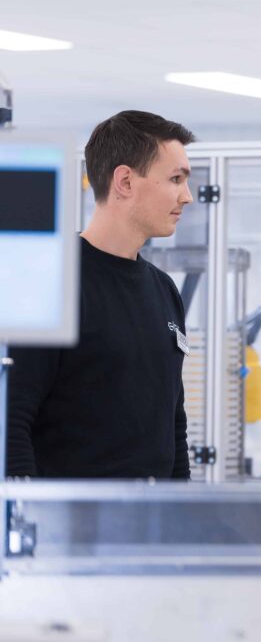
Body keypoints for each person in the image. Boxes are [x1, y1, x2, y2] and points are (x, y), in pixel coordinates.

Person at [6, 110, 195, 479]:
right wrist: (23, 522)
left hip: (151, 525)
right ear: (124, 181)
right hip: (70, 528)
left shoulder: (164, 289)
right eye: (175, 179)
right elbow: (10, 421)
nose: (186, 196)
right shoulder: (49, 282)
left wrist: (181, 517)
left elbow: (174, 421)